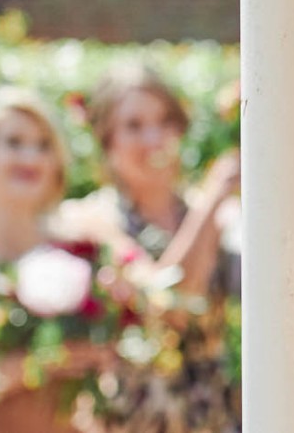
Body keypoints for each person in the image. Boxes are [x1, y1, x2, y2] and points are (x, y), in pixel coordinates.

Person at [60, 64, 240, 433]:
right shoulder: (91, 220)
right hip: (133, 418)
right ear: (108, 140)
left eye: (165, 122)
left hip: (215, 417)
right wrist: (215, 198)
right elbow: (168, 303)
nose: (154, 138)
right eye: (134, 126)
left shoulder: (222, 215)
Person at [0, 89, 111, 432]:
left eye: (44, 145)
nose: (31, 157)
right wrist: (28, 367)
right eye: (14, 143)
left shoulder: (82, 249)